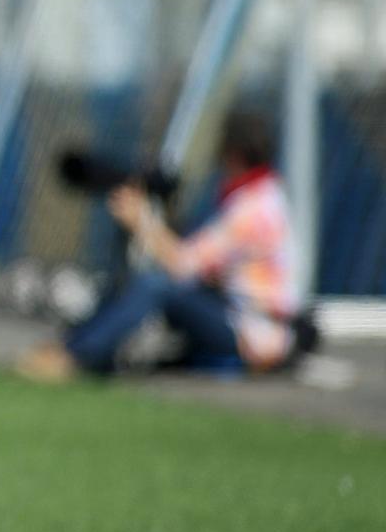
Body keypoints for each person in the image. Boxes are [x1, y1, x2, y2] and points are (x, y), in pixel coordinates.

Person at [18, 111, 301, 380]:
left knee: (155, 285)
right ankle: (74, 345)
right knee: (151, 283)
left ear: (233, 153)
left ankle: (76, 357)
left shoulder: (252, 210)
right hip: (246, 321)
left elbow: (182, 265)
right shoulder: (263, 196)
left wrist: (142, 221)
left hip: (256, 333)